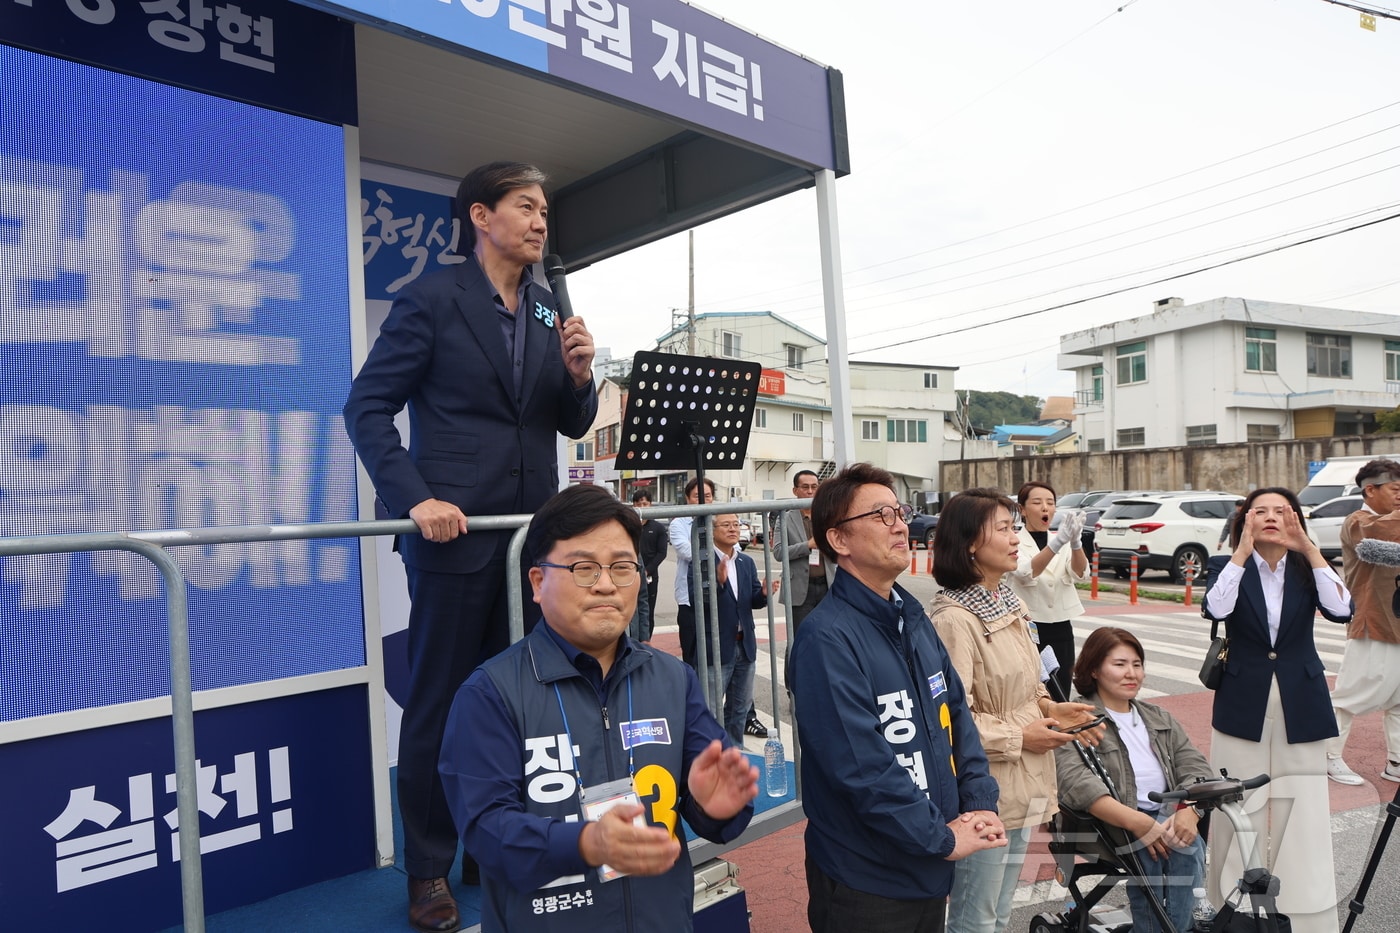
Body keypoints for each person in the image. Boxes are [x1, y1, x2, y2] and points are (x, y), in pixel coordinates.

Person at [343, 161, 599, 932]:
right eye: (526, 206)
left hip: (531, 540)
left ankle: (499, 846)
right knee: (438, 705)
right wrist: (415, 497)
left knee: (518, 702)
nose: (541, 220)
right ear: (481, 216)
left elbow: (566, 420)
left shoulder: (551, 310)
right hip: (454, 541)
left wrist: (581, 378)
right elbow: (368, 407)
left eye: (546, 209)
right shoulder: (430, 298)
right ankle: (428, 870)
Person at [438, 484, 757, 933]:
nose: (606, 583)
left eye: (622, 567)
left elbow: (717, 812)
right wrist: (587, 843)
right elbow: (486, 832)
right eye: (584, 567)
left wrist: (717, 808)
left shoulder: (672, 679)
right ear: (537, 581)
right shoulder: (490, 693)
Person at [789, 463, 1008, 933]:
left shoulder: (913, 616)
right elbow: (861, 767)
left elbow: (957, 719)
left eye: (899, 511)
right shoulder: (826, 639)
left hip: (929, 861)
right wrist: (940, 837)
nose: (899, 524)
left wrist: (980, 801)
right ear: (839, 540)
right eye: (880, 515)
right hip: (867, 876)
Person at [930, 487, 1102, 933]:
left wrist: (1054, 708)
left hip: (1024, 778)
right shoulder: (954, 619)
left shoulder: (1009, 601)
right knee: (975, 916)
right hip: (985, 789)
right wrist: (1021, 736)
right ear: (970, 543)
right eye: (1004, 529)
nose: (1015, 538)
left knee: (1000, 911)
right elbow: (950, 717)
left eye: (1013, 527)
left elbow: (1029, 686)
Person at [1202, 487, 1352, 933]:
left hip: (1301, 697)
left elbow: (1343, 610)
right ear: (1244, 519)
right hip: (1240, 698)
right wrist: (1242, 553)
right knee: (1234, 804)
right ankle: (1227, 906)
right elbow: (1215, 607)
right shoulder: (1225, 566)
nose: (1270, 517)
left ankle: (1309, 909)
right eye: (1259, 511)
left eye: (1281, 511)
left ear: (1296, 519)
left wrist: (1308, 547)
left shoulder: (1309, 566)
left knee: (1304, 805)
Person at [1054, 627, 1212, 933]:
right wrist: (1139, 824)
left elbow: (1194, 765)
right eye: (1120, 664)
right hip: (1105, 826)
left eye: (1137, 664)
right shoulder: (1077, 719)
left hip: (1165, 815)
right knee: (1155, 855)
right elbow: (1076, 783)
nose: (1132, 673)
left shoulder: (1158, 717)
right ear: (1094, 670)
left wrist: (1190, 811)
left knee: (1186, 844)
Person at [1326, 459, 1400, 785]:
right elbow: (1380, 537)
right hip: (1373, 624)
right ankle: (1326, 756)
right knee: (1349, 696)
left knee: (1399, 701)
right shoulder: (1359, 521)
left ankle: (1397, 762)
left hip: (1395, 624)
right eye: (1397, 490)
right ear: (1370, 489)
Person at [691, 513, 778, 744]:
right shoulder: (701, 562)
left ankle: (735, 752)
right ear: (712, 530)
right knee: (710, 711)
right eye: (726, 525)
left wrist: (764, 594)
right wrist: (719, 583)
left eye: (736, 524)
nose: (733, 529)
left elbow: (752, 601)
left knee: (739, 709)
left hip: (745, 644)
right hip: (716, 646)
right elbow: (697, 601)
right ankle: (712, 758)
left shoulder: (745, 562)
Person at [1007, 481, 1087, 700]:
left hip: (1061, 626)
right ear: (1022, 509)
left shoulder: (1060, 540)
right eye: (1037, 502)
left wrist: (1076, 543)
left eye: (1050, 503)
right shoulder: (1014, 540)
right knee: (1033, 689)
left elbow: (1080, 572)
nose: (1045, 507)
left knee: (1061, 689)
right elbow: (1025, 571)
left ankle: (1060, 731)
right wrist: (1059, 542)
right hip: (1028, 625)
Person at [668, 476, 716, 669]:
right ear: (688, 498)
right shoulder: (679, 523)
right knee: (691, 649)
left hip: (719, 593)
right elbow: (685, 551)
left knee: (716, 649)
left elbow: (735, 548)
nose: (703, 500)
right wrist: (718, 552)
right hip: (690, 597)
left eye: (708, 495)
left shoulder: (721, 519)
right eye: (698, 496)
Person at [774, 470, 830, 635]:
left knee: (826, 638)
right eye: (805, 487)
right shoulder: (785, 518)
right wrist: (808, 545)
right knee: (798, 640)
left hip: (827, 586)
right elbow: (778, 552)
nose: (810, 491)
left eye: (814, 487)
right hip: (799, 590)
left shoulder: (826, 516)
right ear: (795, 490)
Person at [632, 489, 668, 643]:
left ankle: (647, 640)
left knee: (648, 609)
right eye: (638, 503)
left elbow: (662, 553)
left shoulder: (658, 528)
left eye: (645, 503)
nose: (642, 506)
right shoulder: (630, 526)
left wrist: (647, 570)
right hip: (631, 574)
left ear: (650, 504)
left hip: (650, 575)